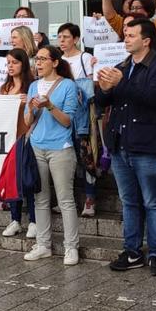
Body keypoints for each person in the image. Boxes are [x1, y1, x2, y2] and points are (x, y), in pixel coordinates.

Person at [96, 18, 156, 276]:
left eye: (131, 35)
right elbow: (103, 102)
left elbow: (155, 98)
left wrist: (121, 83)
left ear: (146, 40)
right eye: (125, 35)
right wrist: (105, 88)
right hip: (120, 144)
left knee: (153, 202)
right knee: (128, 202)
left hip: (147, 145)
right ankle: (132, 251)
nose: (126, 39)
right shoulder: (123, 65)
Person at [22, 45, 81, 266]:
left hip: (61, 147)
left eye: (43, 59)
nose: (38, 63)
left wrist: (49, 105)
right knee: (40, 199)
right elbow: (27, 122)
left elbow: (67, 121)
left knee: (66, 200)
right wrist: (30, 108)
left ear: (55, 62)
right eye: (37, 59)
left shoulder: (67, 85)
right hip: (37, 145)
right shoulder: (34, 86)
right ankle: (43, 244)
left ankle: (71, 247)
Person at [56, 22, 98, 217]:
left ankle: (90, 198)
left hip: (81, 116)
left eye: (66, 37)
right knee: (65, 157)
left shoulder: (85, 57)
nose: (62, 40)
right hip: (62, 115)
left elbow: (91, 85)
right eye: (60, 37)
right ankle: (67, 198)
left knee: (85, 156)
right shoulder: (57, 60)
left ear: (75, 39)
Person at [0, 48, 36, 239]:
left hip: (26, 137)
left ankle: (33, 221)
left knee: (26, 179)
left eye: (14, 62)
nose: (10, 66)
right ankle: (15, 220)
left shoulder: (31, 87)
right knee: (12, 179)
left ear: (23, 64)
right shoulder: (4, 88)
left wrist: (28, 102)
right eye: (8, 63)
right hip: (9, 139)